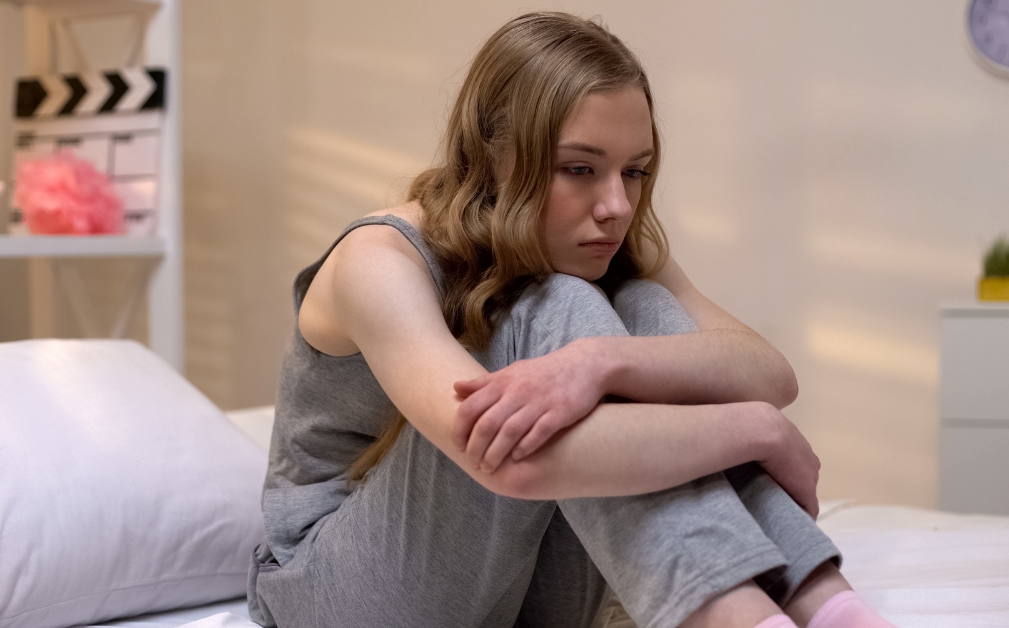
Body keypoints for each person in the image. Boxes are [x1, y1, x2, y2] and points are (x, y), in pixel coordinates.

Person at [248, 11, 896, 628]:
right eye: (579, 169)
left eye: (635, 171)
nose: (616, 205)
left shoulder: (608, 245)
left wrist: (599, 362)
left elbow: (768, 374)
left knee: (642, 306)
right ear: (494, 158)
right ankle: (734, 615)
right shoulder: (380, 260)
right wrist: (753, 429)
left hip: (513, 581)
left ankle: (828, 606)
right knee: (558, 303)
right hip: (339, 591)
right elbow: (508, 462)